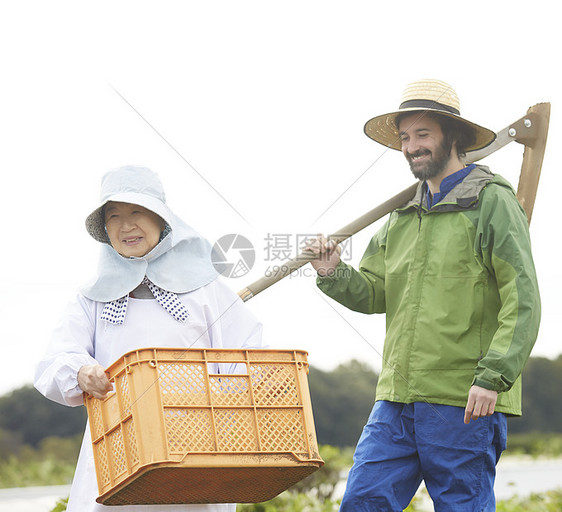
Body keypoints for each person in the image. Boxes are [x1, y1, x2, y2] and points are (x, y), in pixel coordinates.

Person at [305, 79, 541, 511]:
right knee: (361, 503)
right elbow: (376, 292)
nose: (411, 147)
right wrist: (333, 271)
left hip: (463, 400)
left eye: (422, 134)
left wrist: (493, 377)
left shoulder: (491, 202)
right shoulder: (402, 214)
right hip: (396, 399)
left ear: (453, 135)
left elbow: (522, 298)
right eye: (405, 138)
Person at [35, 165, 263, 512]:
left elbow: (248, 355)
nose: (126, 226)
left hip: (196, 452)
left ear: (161, 219)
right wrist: (81, 372)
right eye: (114, 216)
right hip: (116, 450)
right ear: (104, 229)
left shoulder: (207, 289)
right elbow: (54, 360)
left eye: (137, 212)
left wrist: (216, 394)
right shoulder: (92, 297)